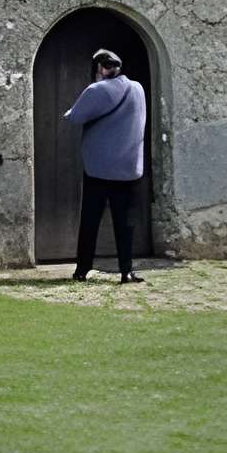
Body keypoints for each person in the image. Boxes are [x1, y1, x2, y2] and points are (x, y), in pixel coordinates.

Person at [64, 46, 148, 282]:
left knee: (90, 220)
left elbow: (74, 117)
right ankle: (126, 271)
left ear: (100, 68)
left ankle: (82, 270)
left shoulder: (97, 90)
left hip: (99, 169)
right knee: (125, 224)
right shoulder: (137, 88)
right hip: (129, 169)